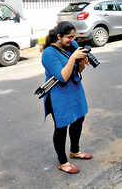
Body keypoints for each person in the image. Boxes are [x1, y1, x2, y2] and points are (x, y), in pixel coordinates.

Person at [41, 21, 92, 174]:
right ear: (59, 36)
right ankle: (63, 162)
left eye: (73, 36)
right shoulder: (49, 53)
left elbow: (78, 69)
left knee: (79, 119)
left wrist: (82, 61)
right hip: (59, 95)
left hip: (75, 89)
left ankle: (75, 151)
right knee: (62, 127)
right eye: (69, 37)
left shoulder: (73, 45)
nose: (72, 40)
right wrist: (73, 58)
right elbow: (62, 77)